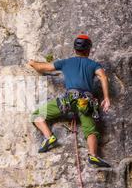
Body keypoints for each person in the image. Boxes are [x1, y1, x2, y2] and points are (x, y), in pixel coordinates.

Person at [29, 35, 111, 168]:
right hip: (85, 103)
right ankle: (93, 156)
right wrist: (106, 98)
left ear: (74, 49)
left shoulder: (66, 62)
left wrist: (33, 63)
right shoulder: (93, 64)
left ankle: (49, 137)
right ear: (88, 50)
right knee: (90, 131)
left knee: (37, 115)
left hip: (68, 101)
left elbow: (43, 68)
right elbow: (103, 76)